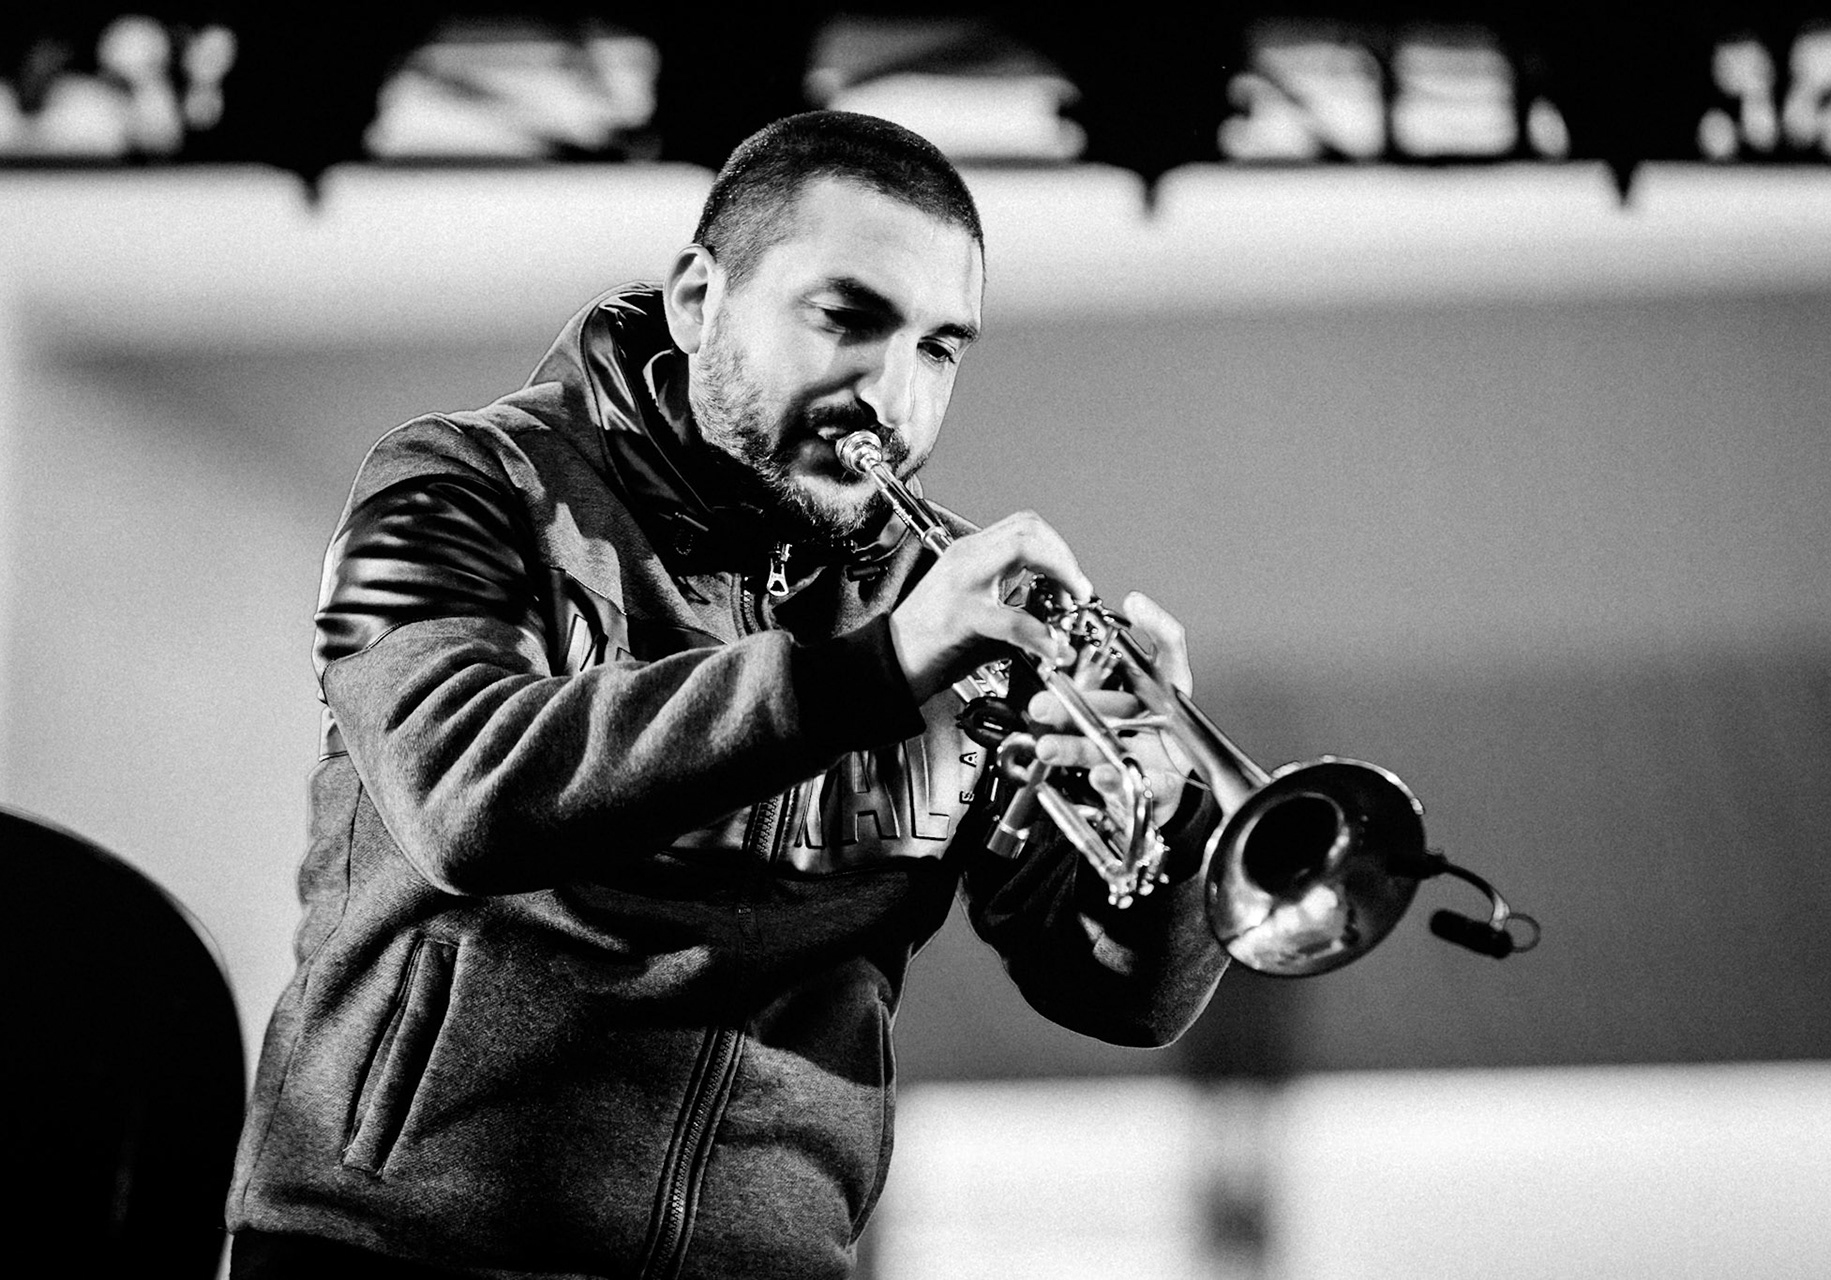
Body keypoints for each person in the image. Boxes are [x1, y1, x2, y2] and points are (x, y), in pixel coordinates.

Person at [225, 110, 1229, 1280]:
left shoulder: (955, 610)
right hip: (402, 1254)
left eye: (939, 349)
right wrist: (876, 672)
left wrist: (1170, 829)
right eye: (846, 319)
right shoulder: (460, 483)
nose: (893, 399)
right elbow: (463, 795)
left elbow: (1116, 997)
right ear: (700, 299)